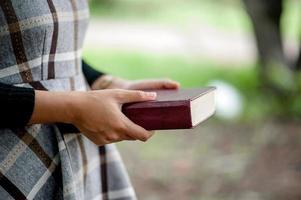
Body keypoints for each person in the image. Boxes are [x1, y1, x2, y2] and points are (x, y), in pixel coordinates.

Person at [0, 0, 180, 199]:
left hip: (75, 145)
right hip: (11, 151)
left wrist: (103, 81)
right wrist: (73, 108)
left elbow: (52, 42)